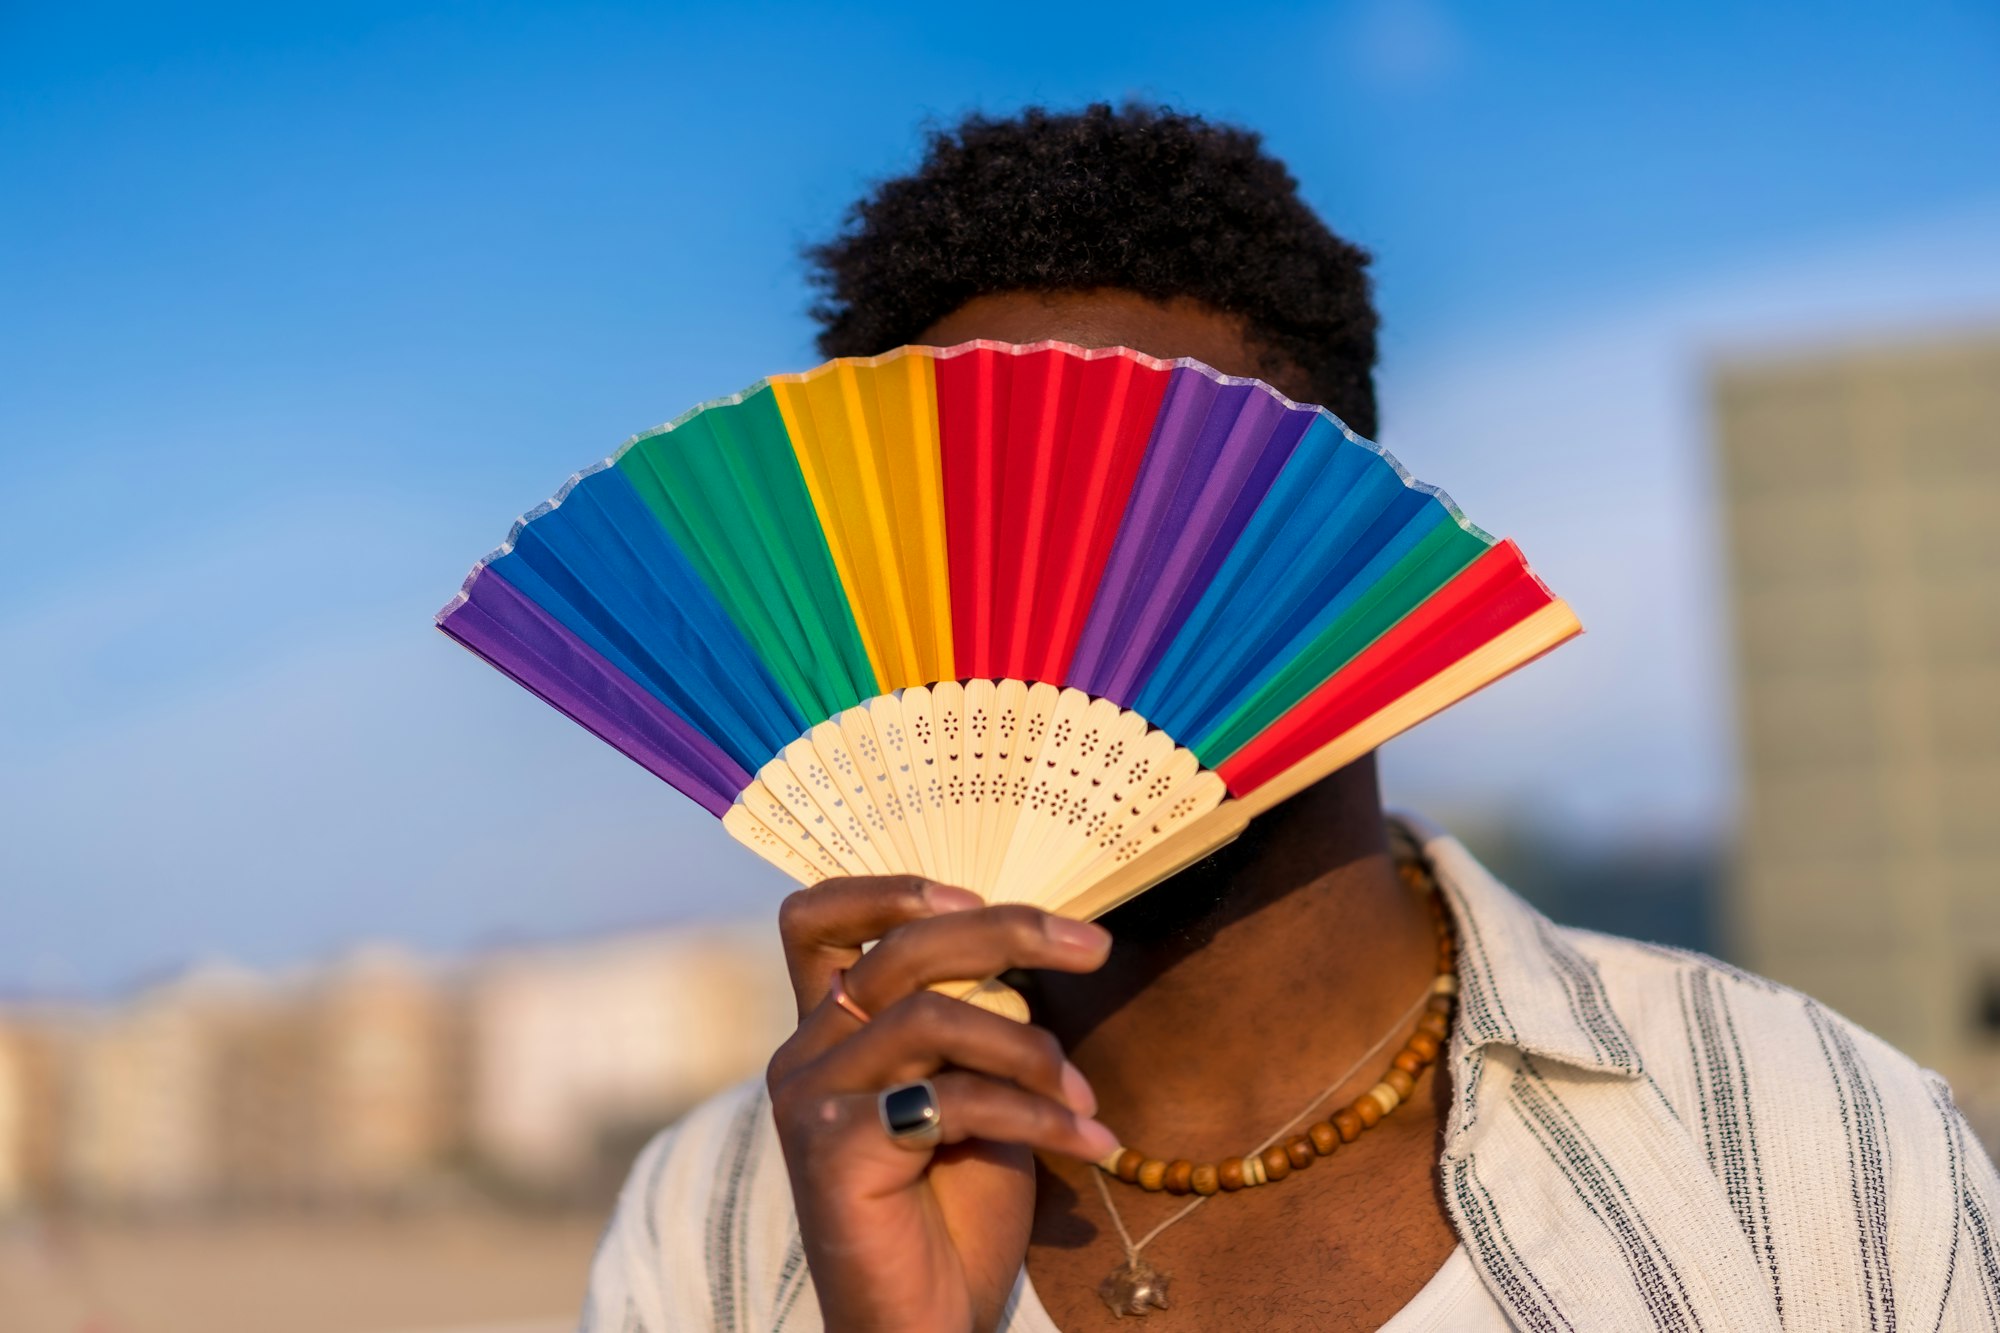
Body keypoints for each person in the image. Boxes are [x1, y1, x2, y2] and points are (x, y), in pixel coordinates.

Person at [580, 104, 2000, 1331]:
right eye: (985, 531)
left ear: (1339, 557)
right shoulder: (720, 1218)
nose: (1069, 606)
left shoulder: (1813, 1133)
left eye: (1154, 507)